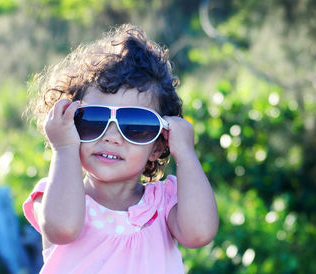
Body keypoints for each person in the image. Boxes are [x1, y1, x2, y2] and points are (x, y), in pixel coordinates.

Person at [23, 24, 219, 274]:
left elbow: (199, 233)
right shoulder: (51, 196)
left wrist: (187, 155)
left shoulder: (163, 204)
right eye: (93, 120)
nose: (111, 137)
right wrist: (63, 148)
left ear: (159, 145)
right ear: (72, 126)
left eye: (136, 126)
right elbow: (63, 229)